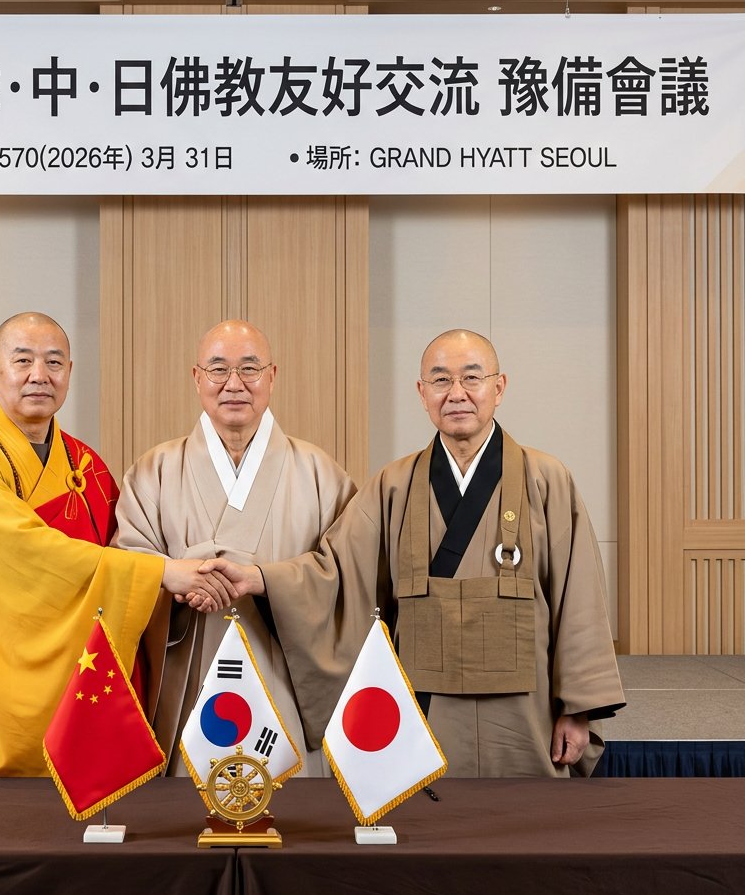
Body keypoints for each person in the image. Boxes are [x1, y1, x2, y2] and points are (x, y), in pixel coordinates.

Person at [204, 329, 625, 777]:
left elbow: (579, 601)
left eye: (472, 378)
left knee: (524, 829)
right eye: (441, 381)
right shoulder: (394, 484)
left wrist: (577, 709)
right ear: (422, 393)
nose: (457, 394)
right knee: (426, 825)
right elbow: (336, 572)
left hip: (526, 710)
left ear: (498, 388)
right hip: (424, 708)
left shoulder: (547, 479)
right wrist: (259, 579)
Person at [0, 312, 234, 777]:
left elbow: (127, 555)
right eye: (22, 360)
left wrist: (185, 583)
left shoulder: (89, 467)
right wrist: (164, 573)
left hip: (81, 669)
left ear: (70, 373)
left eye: (54, 362)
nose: (39, 375)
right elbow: (23, 554)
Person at [115, 320, 356, 774]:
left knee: (283, 809)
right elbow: (127, 559)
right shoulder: (154, 470)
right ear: (196, 377)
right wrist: (177, 577)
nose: (234, 385)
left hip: (282, 672)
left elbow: (346, 571)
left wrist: (264, 580)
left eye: (250, 369)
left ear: (272, 376)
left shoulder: (321, 473)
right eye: (218, 369)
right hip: (188, 671)